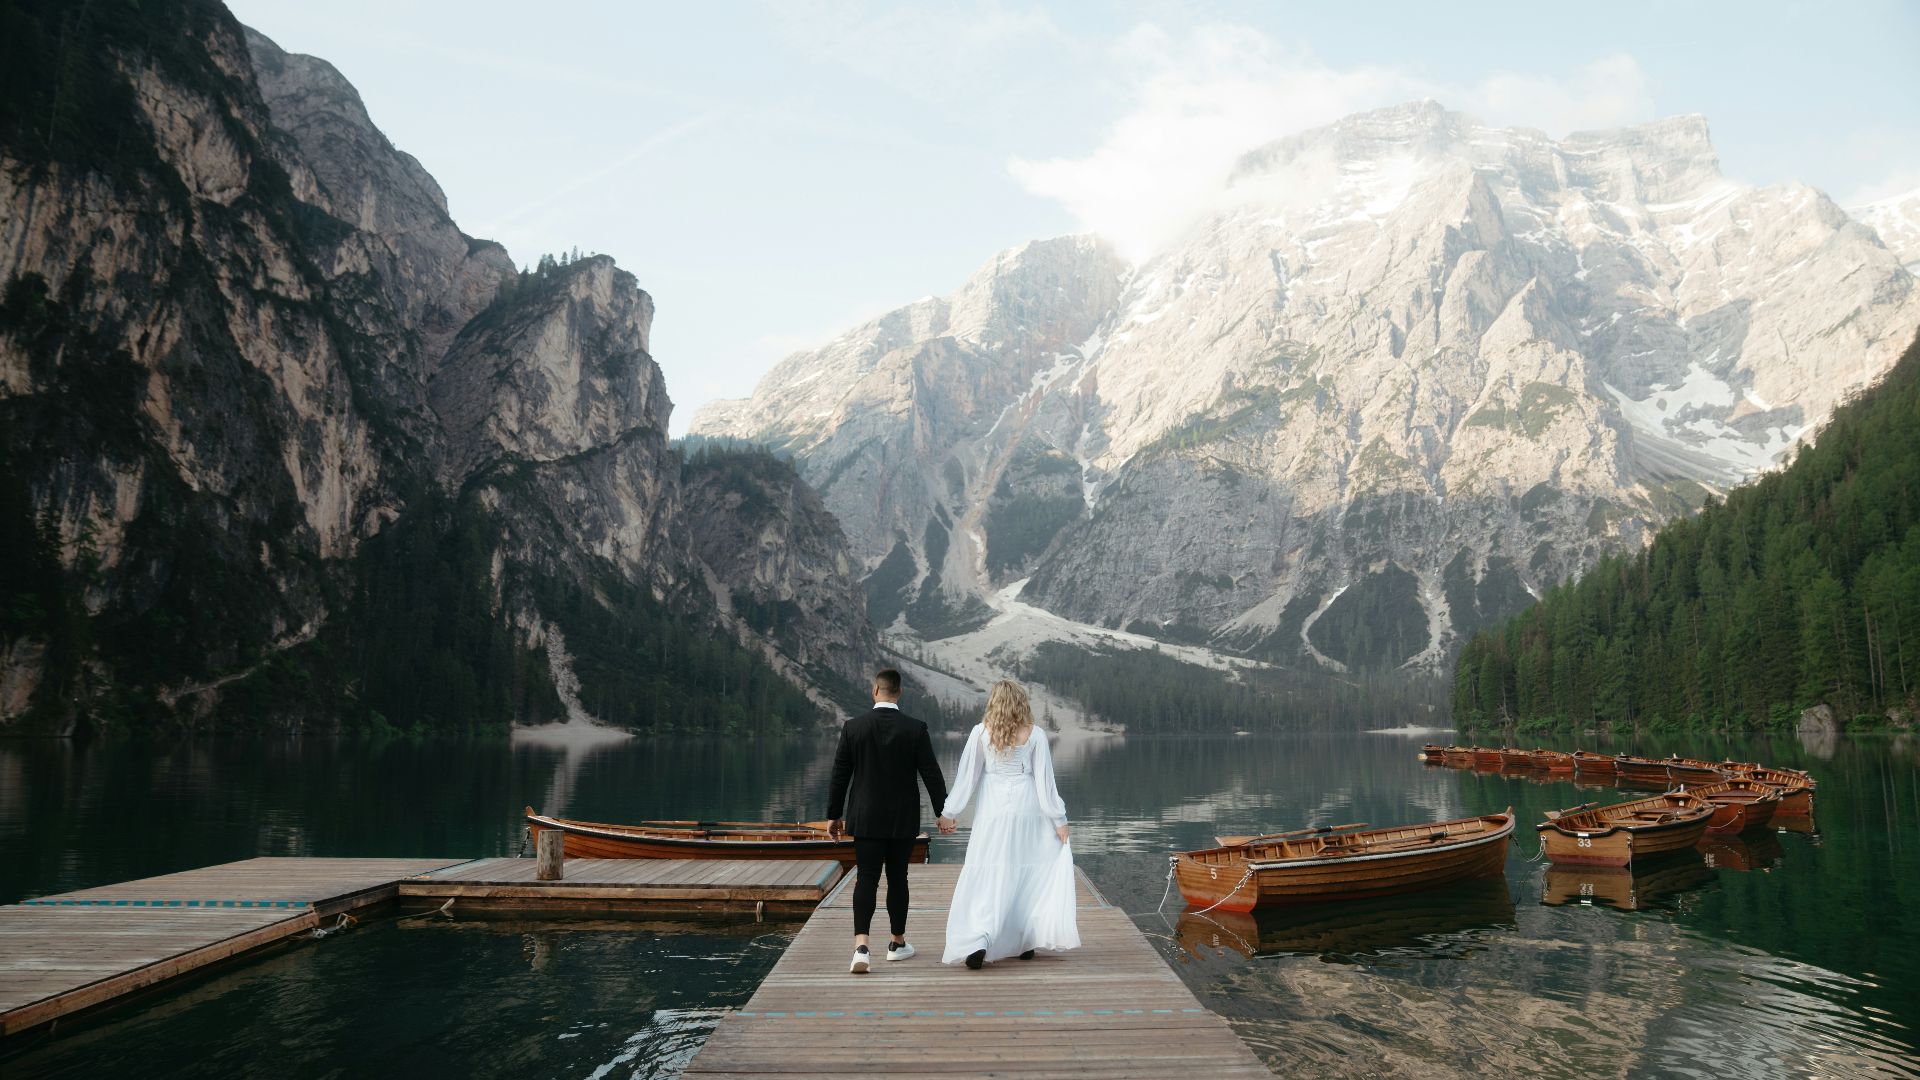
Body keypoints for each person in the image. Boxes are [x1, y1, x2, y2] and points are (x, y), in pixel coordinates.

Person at [935, 679, 1080, 969]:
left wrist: (949, 812)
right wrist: (1059, 820)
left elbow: (967, 779)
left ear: (995, 702)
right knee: (1026, 872)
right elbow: (1045, 784)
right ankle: (1024, 940)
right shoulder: (1034, 734)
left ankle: (980, 939)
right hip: (1028, 811)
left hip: (993, 812)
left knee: (990, 870)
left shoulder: (981, 732)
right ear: (1021, 702)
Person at [826, 668, 948, 974]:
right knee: (898, 877)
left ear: (874, 691)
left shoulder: (853, 727)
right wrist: (942, 811)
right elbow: (931, 773)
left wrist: (833, 815)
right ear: (899, 692)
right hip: (901, 818)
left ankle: (861, 948)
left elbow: (840, 774)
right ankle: (896, 943)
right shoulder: (915, 728)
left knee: (866, 877)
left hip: (865, 816)